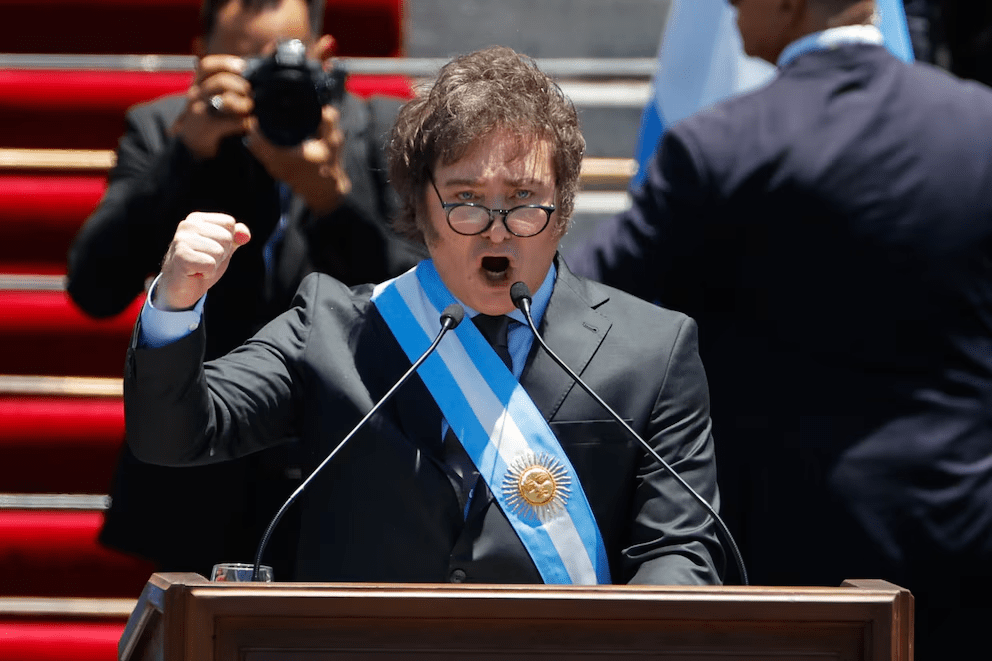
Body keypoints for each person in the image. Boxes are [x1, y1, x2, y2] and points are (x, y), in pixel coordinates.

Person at [122, 45, 725, 585]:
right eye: (466, 199)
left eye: (523, 199)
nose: (496, 230)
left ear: (563, 208)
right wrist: (176, 303)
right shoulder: (332, 328)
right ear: (421, 206)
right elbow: (174, 434)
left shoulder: (651, 350)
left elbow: (679, 550)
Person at [567, 0, 992, 654]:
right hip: (966, 537)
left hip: (791, 553)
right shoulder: (978, 125)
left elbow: (587, 302)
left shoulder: (720, 147)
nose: (730, 6)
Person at [66, 0, 423, 579]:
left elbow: (430, 291)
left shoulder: (381, 131)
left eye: (282, 60)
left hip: (350, 461)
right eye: (244, 63)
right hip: (200, 472)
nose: (266, 83)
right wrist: (184, 156)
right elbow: (93, 288)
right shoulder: (165, 128)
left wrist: (330, 201)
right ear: (201, 57)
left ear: (323, 57)